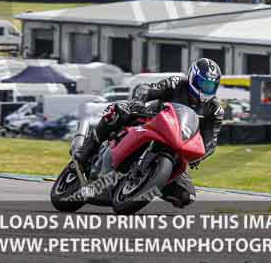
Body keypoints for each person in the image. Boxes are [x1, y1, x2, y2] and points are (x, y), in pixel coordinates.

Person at [73, 58, 224, 208]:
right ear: (192, 78)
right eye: (204, 84)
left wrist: (199, 156)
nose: (206, 89)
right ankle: (88, 147)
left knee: (186, 196)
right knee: (119, 111)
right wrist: (139, 101)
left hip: (177, 144)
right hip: (151, 120)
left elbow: (210, 141)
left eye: (211, 86)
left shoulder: (215, 109)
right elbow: (145, 88)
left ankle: (145, 183)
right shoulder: (177, 83)